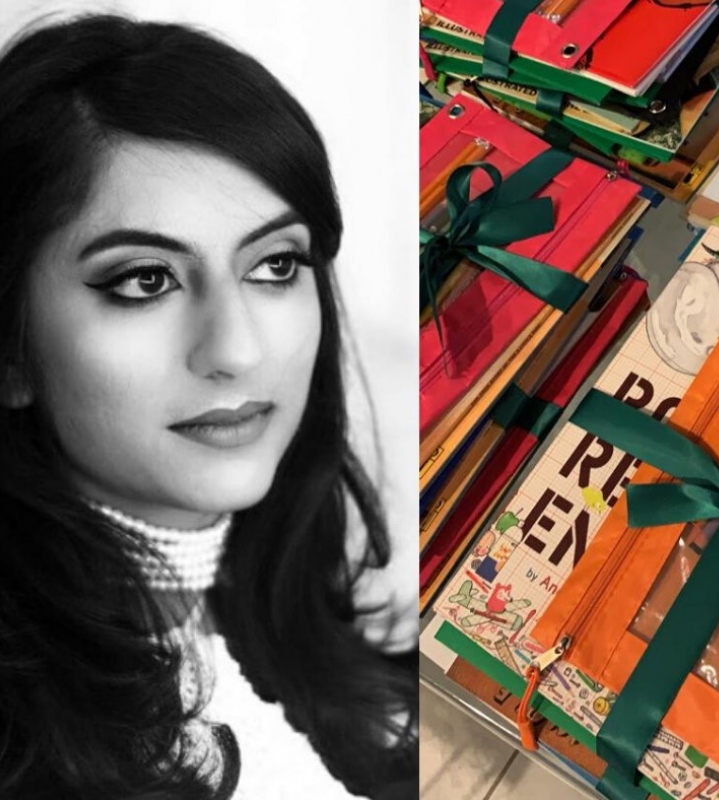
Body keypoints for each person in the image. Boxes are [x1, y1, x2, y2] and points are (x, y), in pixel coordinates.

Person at [0, 12, 417, 800]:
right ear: (10, 350)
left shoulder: (310, 629)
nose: (237, 349)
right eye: (144, 280)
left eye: (275, 265)